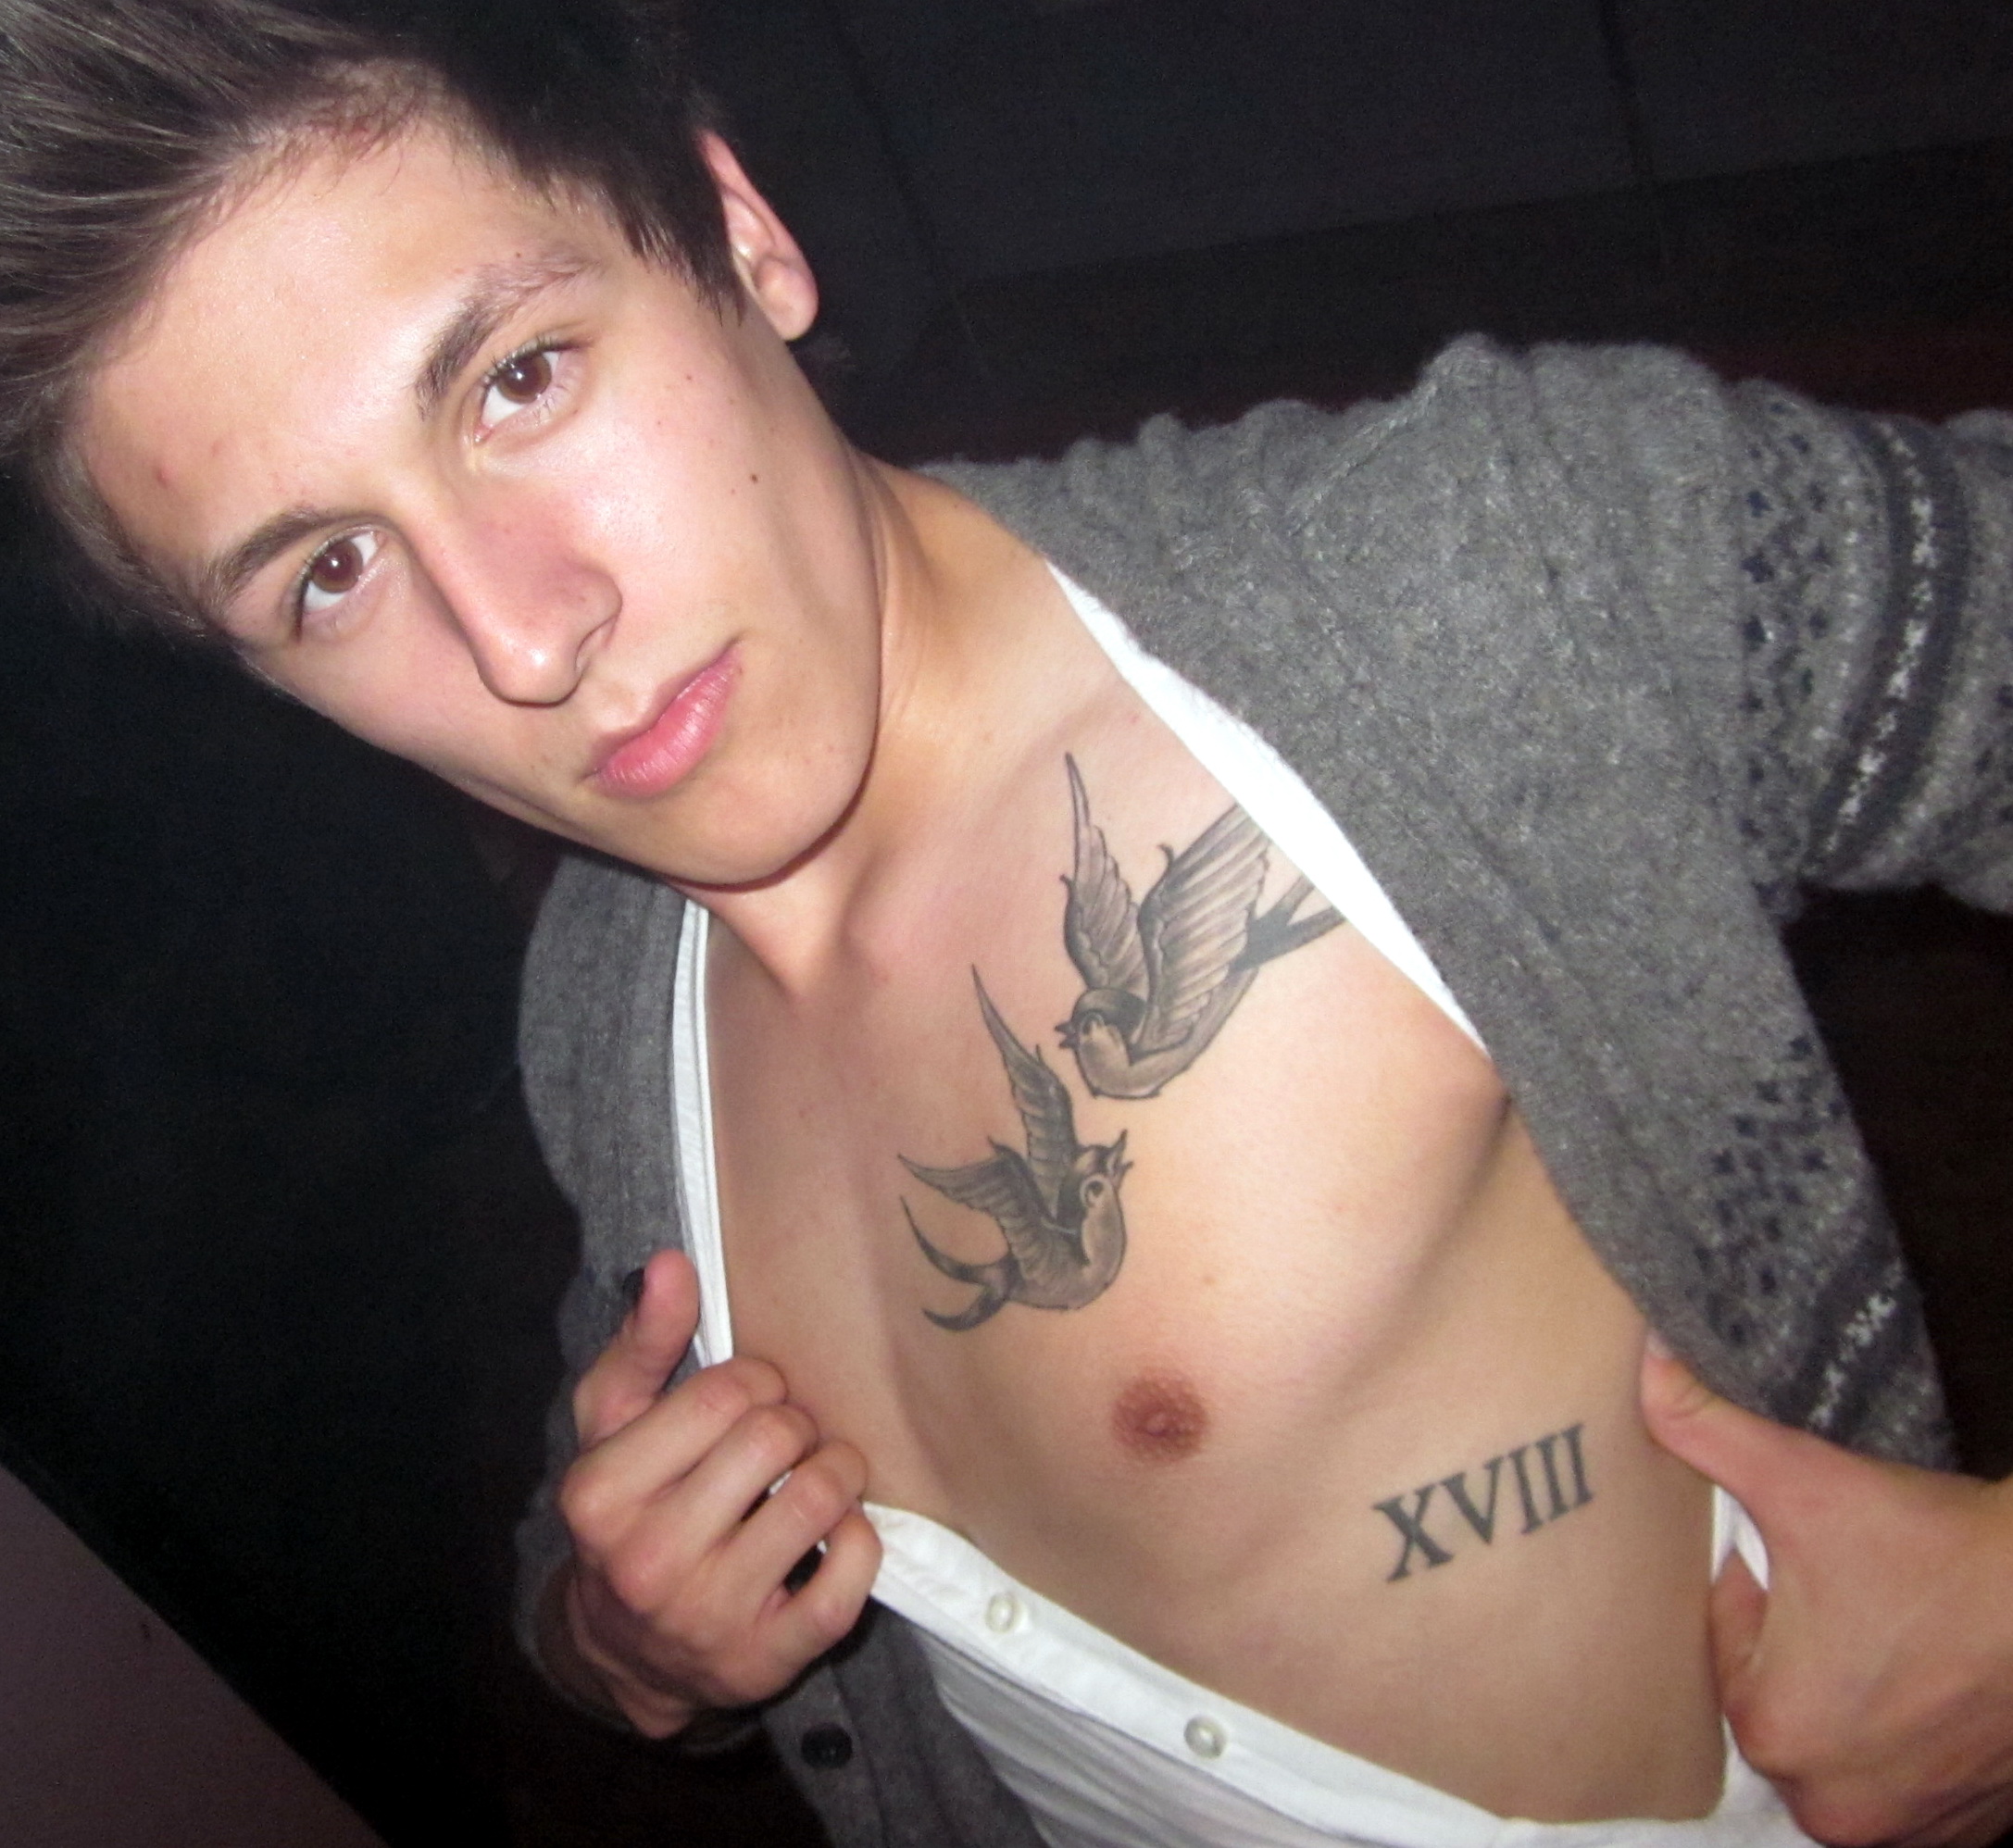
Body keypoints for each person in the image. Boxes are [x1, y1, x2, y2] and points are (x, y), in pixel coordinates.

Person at [2, 1, 2011, 1842]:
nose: (525, 642)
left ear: (738, 234)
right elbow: (595, 1501)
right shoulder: (597, 1004)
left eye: (520, 378)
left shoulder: (1487, 580)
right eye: (331, 572)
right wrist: (622, 1644)